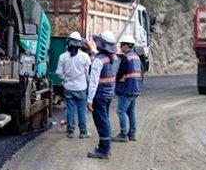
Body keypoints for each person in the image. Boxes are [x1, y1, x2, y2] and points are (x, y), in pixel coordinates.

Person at [87, 30, 119, 159]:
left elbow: (93, 82)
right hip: (108, 94)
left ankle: (104, 150)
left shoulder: (98, 61)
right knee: (105, 120)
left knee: (101, 122)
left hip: (99, 96)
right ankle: (105, 146)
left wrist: (90, 100)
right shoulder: (113, 59)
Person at [56, 31, 92, 139]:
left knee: (70, 110)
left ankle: (71, 131)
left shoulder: (63, 57)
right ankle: (83, 132)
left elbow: (59, 73)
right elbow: (88, 74)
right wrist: (88, 83)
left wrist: (65, 79)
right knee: (82, 111)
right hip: (81, 88)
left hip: (68, 88)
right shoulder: (85, 57)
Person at [112, 34, 143, 143]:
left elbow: (120, 73)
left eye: (121, 45)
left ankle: (123, 134)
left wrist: (116, 82)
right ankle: (132, 133)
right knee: (131, 111)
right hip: (135, 88)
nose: (120, 47)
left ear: (126, 45)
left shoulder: (126, 57)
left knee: (121, 111)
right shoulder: (136, 57)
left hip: (127, 89)